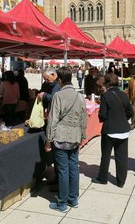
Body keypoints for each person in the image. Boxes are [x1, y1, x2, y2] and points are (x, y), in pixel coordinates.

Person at [45, 67, 87, 212]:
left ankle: (62, 202)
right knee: (73, 168)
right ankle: (73, 199)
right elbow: (84, 118)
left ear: (60, 80)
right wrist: (82, 136)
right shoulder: (79, 96)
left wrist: (48, 139)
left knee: (63, 170)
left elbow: (52, 119)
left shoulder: (58, 95)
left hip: (61, 137)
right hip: (75, 137)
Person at [92, 73, 132, 187]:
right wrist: (123, 119)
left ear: (107, 83)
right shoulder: (124, 95)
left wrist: (102, 117)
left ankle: (103, 178)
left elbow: (103, 115)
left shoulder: (105, 96)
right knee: (122, 157)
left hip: (109, 130)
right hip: (123, 130)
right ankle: (121, 181)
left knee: (105, 155)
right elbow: (130, 111)